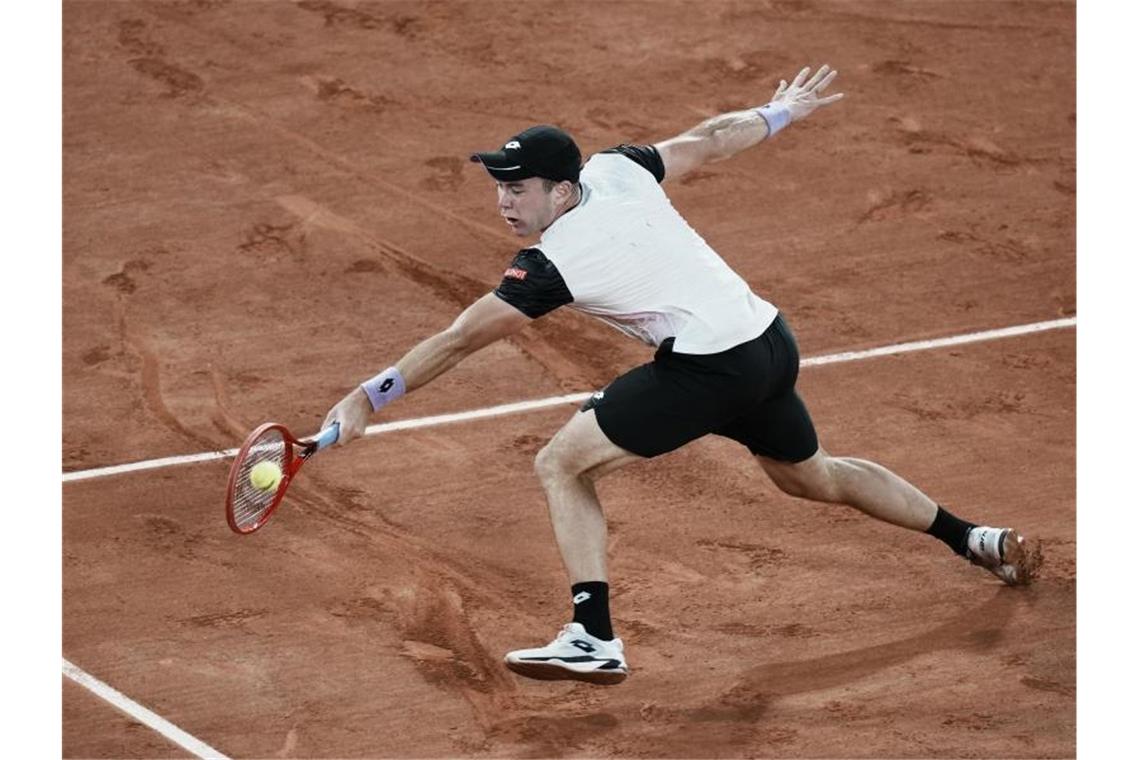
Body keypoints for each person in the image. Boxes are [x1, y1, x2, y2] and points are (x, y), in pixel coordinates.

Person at [322, 65, 1040, 686]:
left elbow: (459, 339)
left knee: (562, 464)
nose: (506, 201)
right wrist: (778, 112)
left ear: (563, 192)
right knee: (811, 477)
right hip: (766, 341)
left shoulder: (557, 263)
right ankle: (972, 537)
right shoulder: (616, 169)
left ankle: (594, 637)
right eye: (499, 186)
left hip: (710, 368)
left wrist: (368, 396)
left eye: (521, 188)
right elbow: (708, 140)